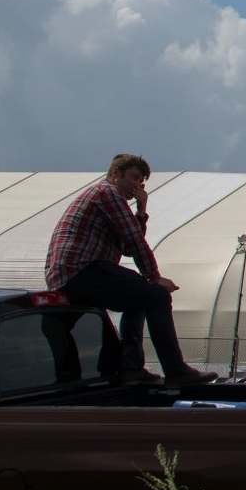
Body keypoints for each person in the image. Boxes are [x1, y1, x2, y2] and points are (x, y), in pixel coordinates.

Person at [46, 154, 206, 384]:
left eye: (141, 182)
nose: (137, 185)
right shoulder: (107, 193)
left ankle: (127, 367)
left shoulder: (107, 198)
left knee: (139, 295)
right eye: (133, 178)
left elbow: (128, 244)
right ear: (115, 174)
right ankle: (174, 370)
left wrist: (141, 210)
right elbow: (134, 241)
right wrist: (154, 277)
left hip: (71, 274)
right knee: (156, 296)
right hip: (81, 269)